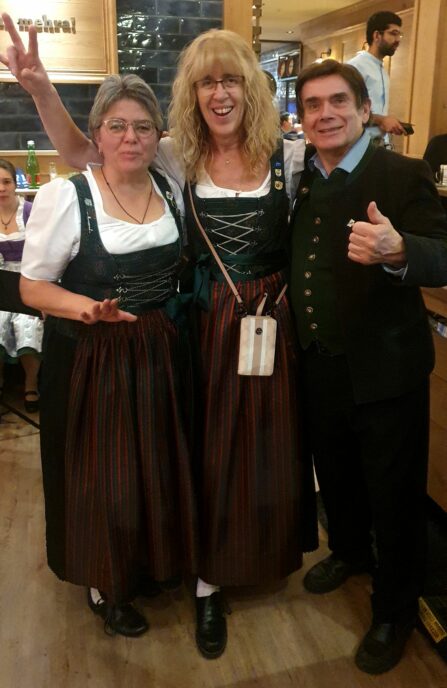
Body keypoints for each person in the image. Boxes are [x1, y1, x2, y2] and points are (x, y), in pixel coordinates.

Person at [1, 17, 318, 659]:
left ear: (252, 87)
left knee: (234, 453)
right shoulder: (179, 158)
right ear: (192, 95)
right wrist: (40, 90)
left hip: (239, 330)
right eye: (206, 82)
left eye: (232, 80)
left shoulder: (279, 158)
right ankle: (175, 580)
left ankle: (237, 558)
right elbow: (82, 155)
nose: (220, 93)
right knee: (167, 458)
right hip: (192, 330)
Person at [18, 73, 198, 638]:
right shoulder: (67, 196)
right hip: (92, 358)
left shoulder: (169, 185)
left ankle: (147, 563)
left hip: (158, 350)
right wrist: (86, 309)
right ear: (96, 134)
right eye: (117, 126)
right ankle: (105, 582)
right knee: (104, 476)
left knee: (153, 465)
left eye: (143, 127)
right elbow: (31, 287)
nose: (130, 137)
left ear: (158, 136)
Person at [290, 58, 447, 674]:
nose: (325, 114)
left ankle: (395, 609)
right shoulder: (303, 177)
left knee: (395, 496)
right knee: (337, 475)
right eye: (312, 105)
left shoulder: (402, 173)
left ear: (364, 110)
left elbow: (444, 253)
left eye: (338, 101)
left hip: (387, 372)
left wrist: (401, 249)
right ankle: (351, 552)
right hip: (320, 364)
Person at [0, 158, 42, 411]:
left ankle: (31, 384)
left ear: (15, 184)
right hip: (0, 285)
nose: (1, 188)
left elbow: (45, 252)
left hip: (29, 282)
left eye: (6, 182)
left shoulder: (31, 211)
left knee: (28, 324)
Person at [348, 11, 406, 145]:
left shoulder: (382, 70)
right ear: (376, 35)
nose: (398, 40)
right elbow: (348, 110)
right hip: (358, 145)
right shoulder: (356, 67)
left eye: (399, 35)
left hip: (379, 144)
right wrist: (382, 120)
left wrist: (388, 123)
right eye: (393, 34)